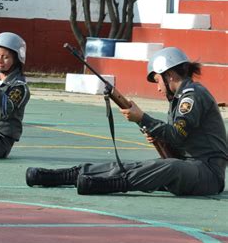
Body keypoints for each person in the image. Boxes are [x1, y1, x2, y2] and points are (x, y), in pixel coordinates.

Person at [26, 47, 227, 196]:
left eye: (158, 81)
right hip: (191, 167)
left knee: (169, 167)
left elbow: (177, 135)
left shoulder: (192, 96)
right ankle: (64, 176)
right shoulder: (179, 99)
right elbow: (179, 141)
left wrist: (143, 119)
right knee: (135, 166)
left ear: (170, 75)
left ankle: (111, 185)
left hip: (208, 174)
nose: (158, 88)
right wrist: (149, 128)